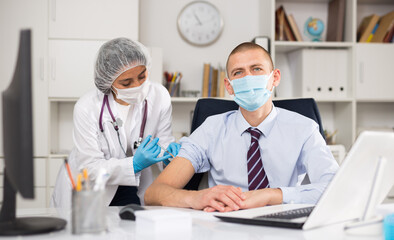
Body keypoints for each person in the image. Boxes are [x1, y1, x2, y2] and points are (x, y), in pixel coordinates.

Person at [144, 42, 339, 212]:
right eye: (238, 72)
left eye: (256, 69)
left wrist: (271, 195)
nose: (247, 78)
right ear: (229, 86)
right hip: (225, 222)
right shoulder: (211, 128)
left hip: (283, 224)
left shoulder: (304, 128)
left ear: (275, 77)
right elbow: (154, 193)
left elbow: (336, 187)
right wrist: (197, 198)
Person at [52, 38, 180, 208]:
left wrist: (168, 157)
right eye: (126, 83)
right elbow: (90, 168)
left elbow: (164, 141)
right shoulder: (87, 107)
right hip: (92, 186)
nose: (138, 86)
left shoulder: (160, 96)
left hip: (133, 182)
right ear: (108, 82)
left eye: (142, 77)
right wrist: (133, 164)